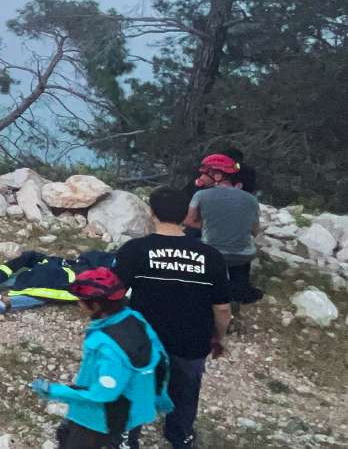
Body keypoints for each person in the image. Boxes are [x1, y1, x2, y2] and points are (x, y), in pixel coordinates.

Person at [114, 187, 231, 449]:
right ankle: (181, 435)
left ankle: (127, 439)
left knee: (135, 389)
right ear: (186, 216)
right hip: (191, 341)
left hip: (145, 341)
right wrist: (218, 338)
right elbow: (222, 309)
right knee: (186, 390)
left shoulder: (135, 250)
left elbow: (113, 295)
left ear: (151, 212)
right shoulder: (211, 256)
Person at [29, 267, 173, 449]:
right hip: (136, 406)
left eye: (81, 302)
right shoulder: (134, 318)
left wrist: (53, 391)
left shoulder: (107, 347)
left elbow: (102, 394)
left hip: (101, 418)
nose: (78, 305)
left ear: (96, 305)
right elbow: (161, 359)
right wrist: (160, 397)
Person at [184, 154, 263, 305]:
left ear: (217, 175)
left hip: (212, 254)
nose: (201, 177)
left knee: (189, 236)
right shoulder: (251, 199)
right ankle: (240, 290)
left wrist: (208, 225)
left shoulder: (201, 195)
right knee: (241, 248)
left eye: (205, 173)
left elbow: (188, 221)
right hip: (243, 256)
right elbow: (254, 231)